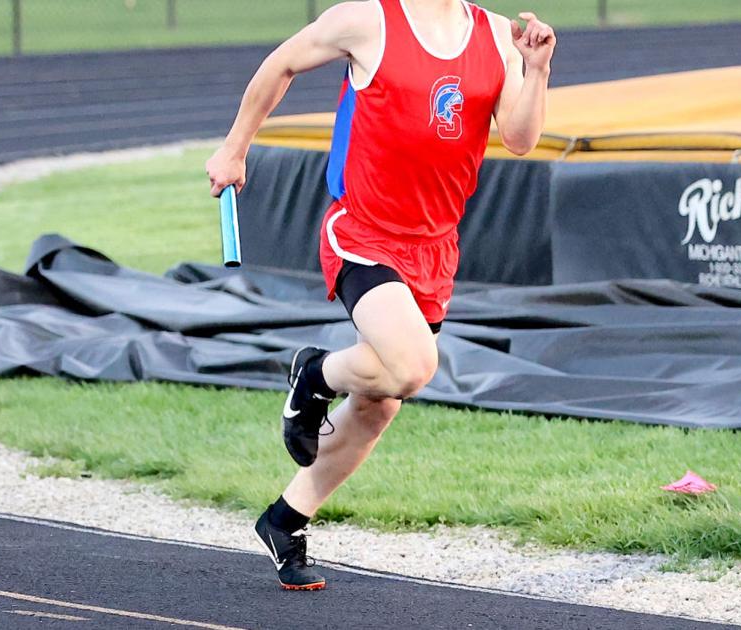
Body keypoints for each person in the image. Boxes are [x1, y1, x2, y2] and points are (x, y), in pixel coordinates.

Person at [205, 0, 555, 591]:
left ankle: (285, 520)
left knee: (379, 404)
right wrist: (235, 149)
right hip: (363, 233)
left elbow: (519, 139)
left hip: (436, 247)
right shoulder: (368, 21)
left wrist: (537, 69)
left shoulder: (497, 35)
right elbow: (281, 64)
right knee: (412, 366)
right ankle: (314, 373)